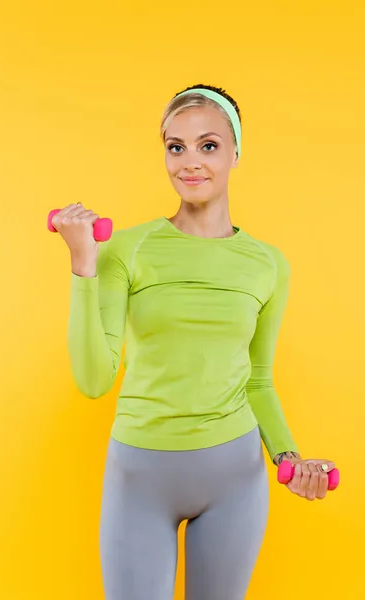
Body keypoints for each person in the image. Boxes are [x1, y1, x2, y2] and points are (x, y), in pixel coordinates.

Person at [52, 84, 336, 600]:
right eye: (175, 146)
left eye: (207, 145)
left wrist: (290, 458)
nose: (190, 162)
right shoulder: (124, 249)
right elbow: (94, 381)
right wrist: (82, 267)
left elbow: (259, 379)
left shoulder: (269, 264)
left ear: (235, 152)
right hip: (140, 474)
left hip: (235, 477)